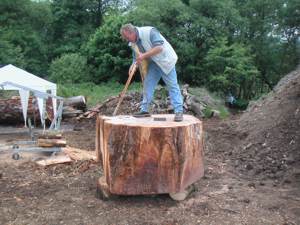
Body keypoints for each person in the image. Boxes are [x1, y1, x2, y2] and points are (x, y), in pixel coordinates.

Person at [120, 23, 184, 122]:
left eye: (127, 37)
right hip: (155, 63)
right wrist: (133, 64)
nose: (127, 40)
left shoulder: (150, 31)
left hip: (166, 61)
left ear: (131, 32)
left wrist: (144, 56)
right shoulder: (133, 42)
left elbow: (159, 48)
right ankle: (144, 110)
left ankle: (179, 111)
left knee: (172, 86)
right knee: (148, 84)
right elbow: (136, 55)